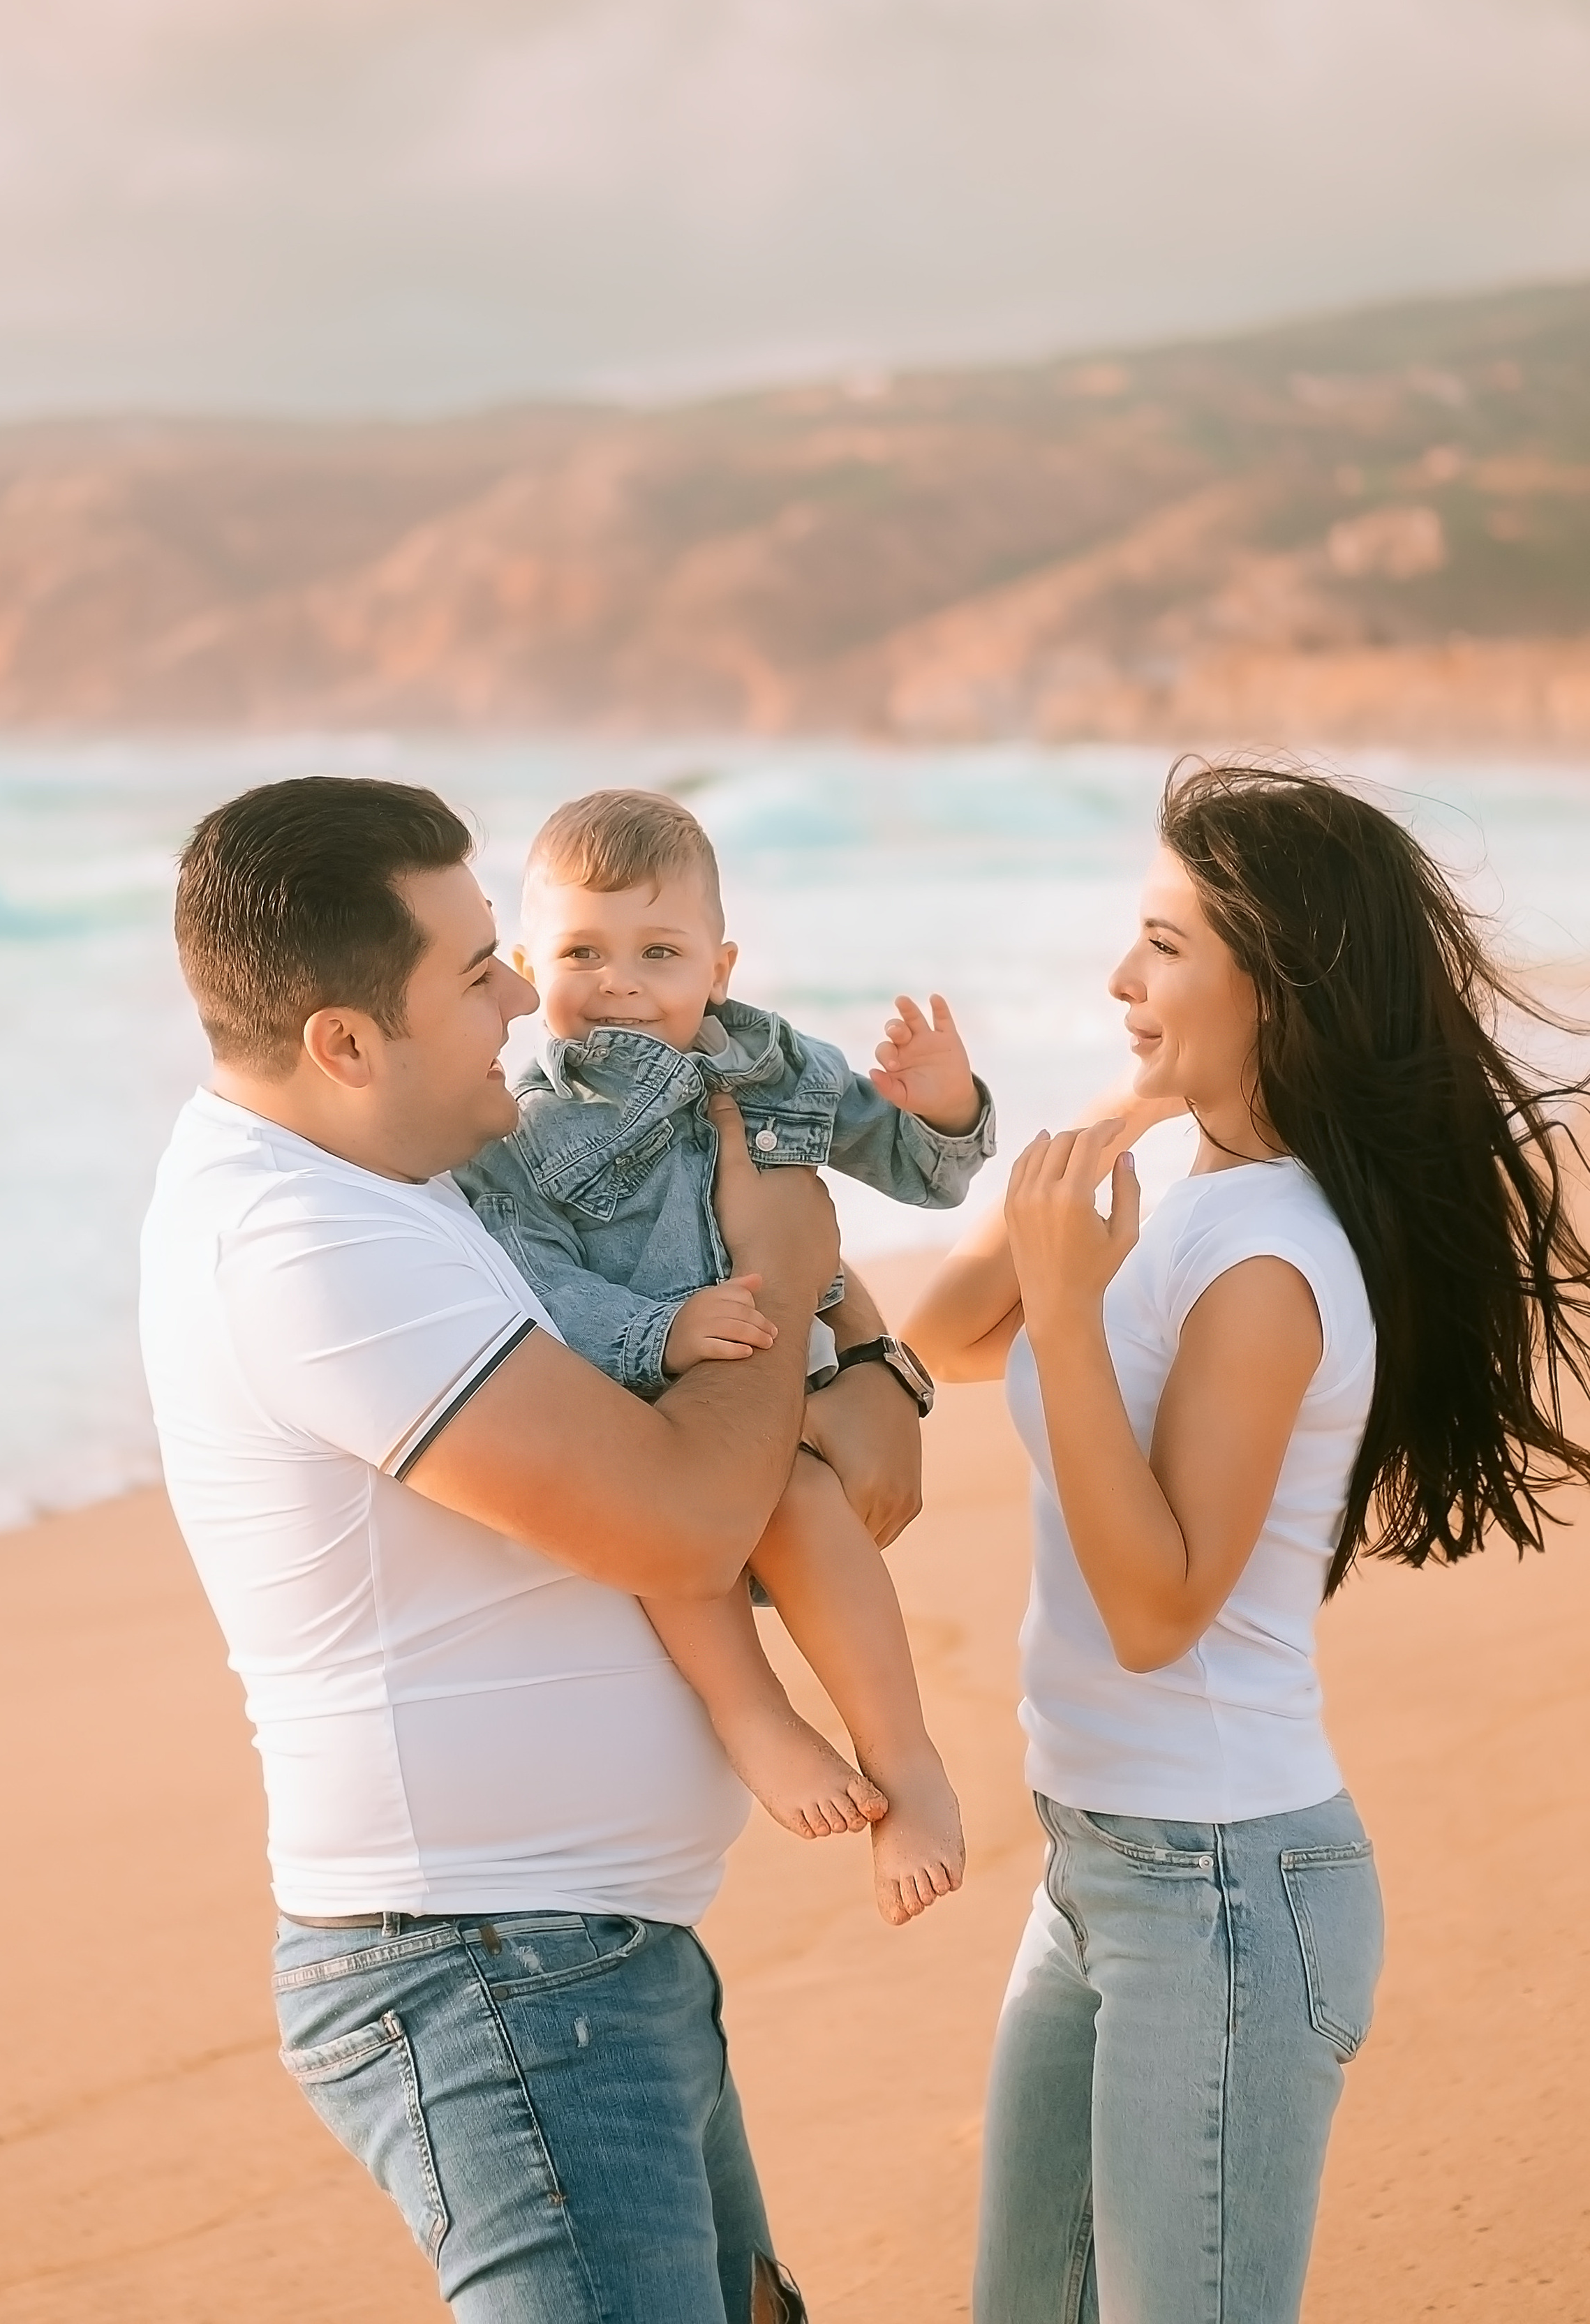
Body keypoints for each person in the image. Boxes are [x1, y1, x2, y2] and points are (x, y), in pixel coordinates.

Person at [138, 774, 922, 2324]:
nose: (523, 996)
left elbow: (685, 1341)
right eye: (474, 970)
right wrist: (782, 1257)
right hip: (487, 1975)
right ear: (345, 1043)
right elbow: (687, 1518)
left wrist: (867, 1351)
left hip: (579, 1955)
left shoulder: (406, 1172)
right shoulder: (306, 1244)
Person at [904, 760, 1590, 2324]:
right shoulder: (1163, 1173)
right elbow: (945, 1336)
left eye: (1161, 946)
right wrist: (1105, 1128)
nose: (1115, 977)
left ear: (1269, 984)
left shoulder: (1273, 1263)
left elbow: (1157, 1607)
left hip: (1219, 1885)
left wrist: (1069, 1314)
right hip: (1095, 1864)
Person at [457, 789, 988, 1922]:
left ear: (721, 963)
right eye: (582, 953)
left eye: (661, 951)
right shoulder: (520, 1129)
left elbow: (912, 1170)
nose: (623, 983)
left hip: (784, 1399)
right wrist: (660, 1330)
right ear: (524, 964)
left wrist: (944, 1111)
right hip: (643, 1412)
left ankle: (908, 1763)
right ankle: (757, 1720)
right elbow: (536, 1276)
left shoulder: (774, 1064)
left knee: (801, 1505)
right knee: (671, 1549)